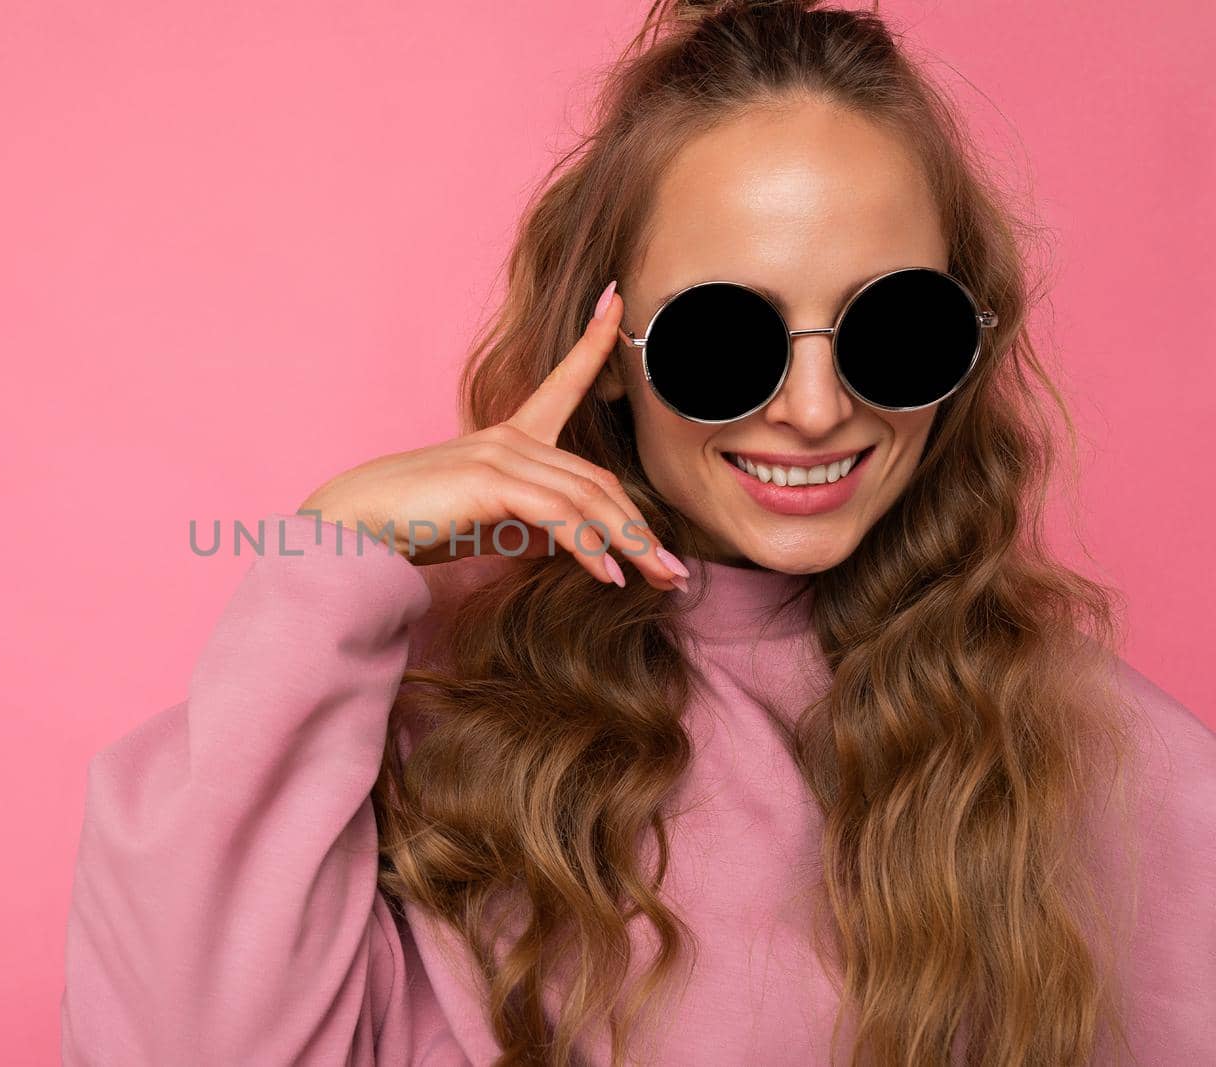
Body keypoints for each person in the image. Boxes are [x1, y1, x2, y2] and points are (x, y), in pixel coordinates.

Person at [60, 1, 1216, 1064]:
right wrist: (329, 551)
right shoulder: (422, 725)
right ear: (610, 356)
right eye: (724, 337)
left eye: (893, 327)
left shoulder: (1112, 764)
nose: (815, 409)